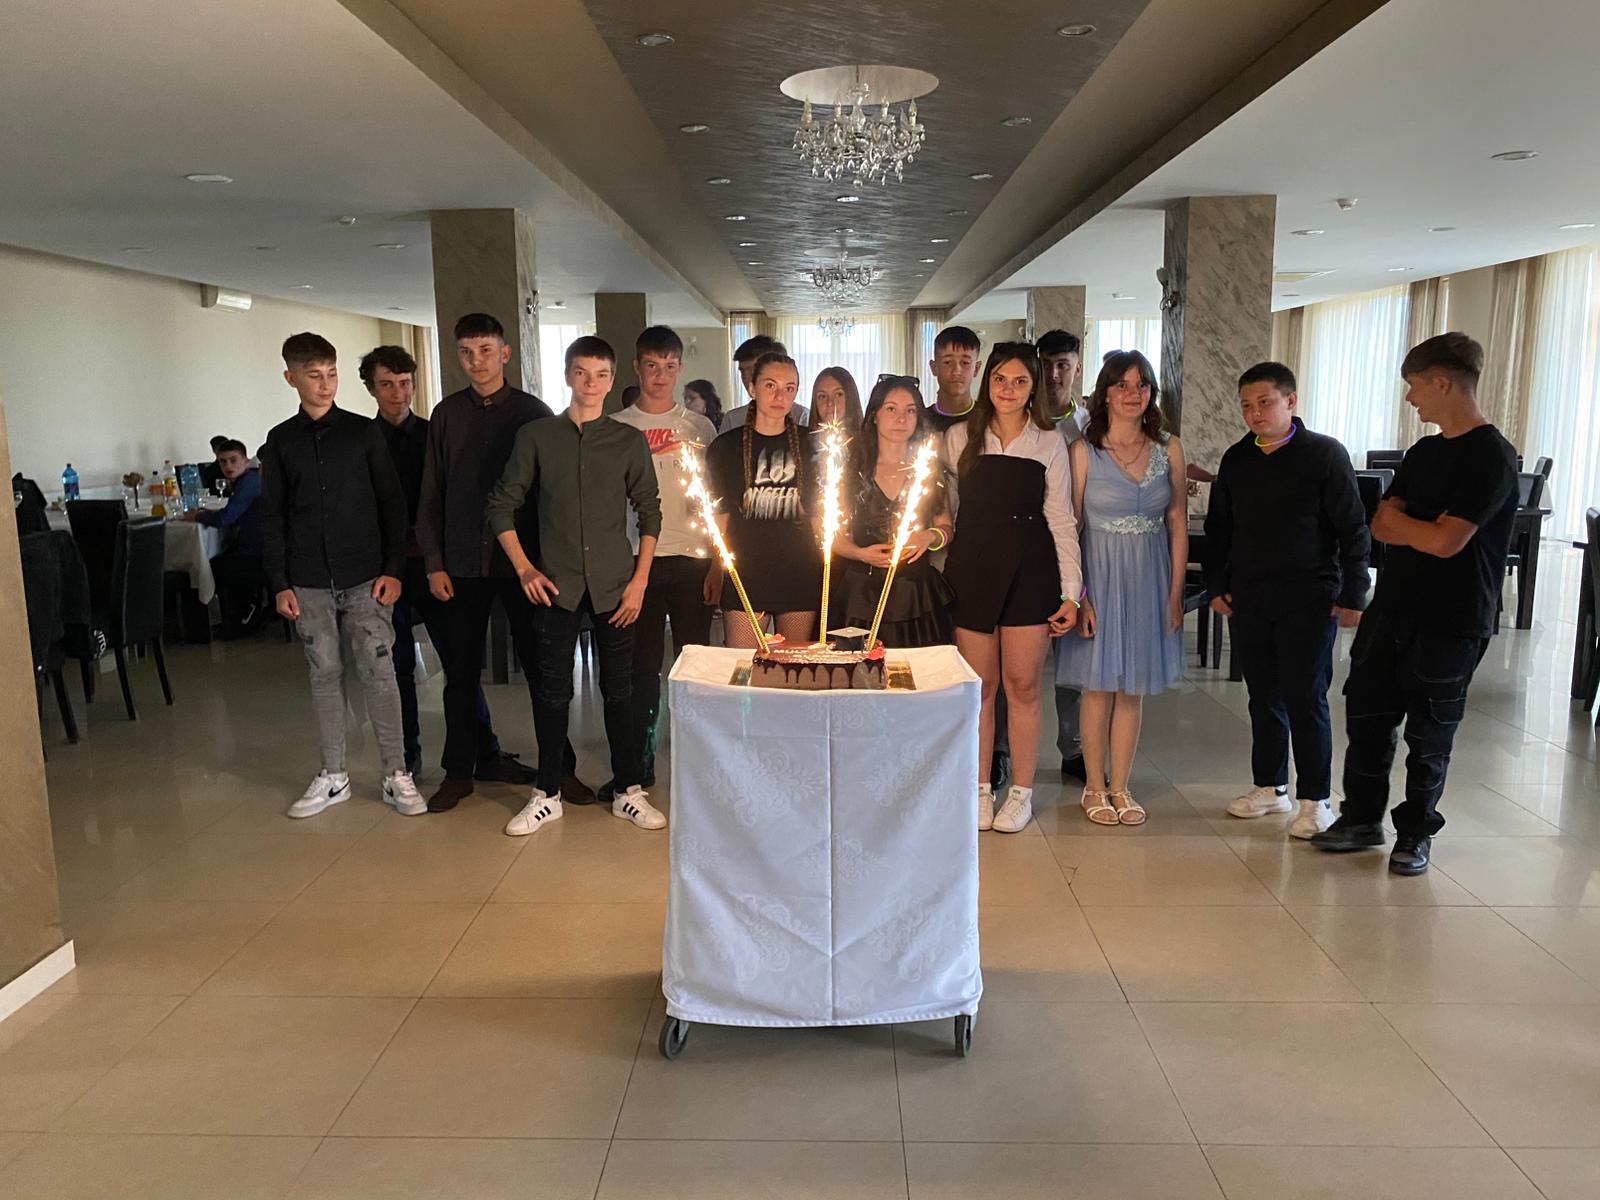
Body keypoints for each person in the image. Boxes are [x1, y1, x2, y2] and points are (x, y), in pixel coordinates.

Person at [1312, 333, 1518, 875]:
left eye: (1415, 386)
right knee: (1368, 717)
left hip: (1453, 617)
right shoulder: (1423, 453)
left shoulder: (1492, 457)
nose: (1410, 398)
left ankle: (1415, 834)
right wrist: (1418, 528)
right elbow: (1381, 524)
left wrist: (1414, 527)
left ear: (1442, 383)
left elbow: (1447, 542)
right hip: (1392, 608)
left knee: (1430, 734)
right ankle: (1361, 819)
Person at [486, 336, 664, 837]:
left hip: (616, 586)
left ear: (612, 380)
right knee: (552, 692)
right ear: (568, 376)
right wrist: (525, 568)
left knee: (620, 691)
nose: (591, 383)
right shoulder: (538, 436)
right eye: (582, 373)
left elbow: (650, 512)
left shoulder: (627, 441)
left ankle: (628, 790)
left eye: (601, 374)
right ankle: (547, 793)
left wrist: (639, 582)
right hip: (555, 585)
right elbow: (501, 505)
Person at [417, 312, 584, 813]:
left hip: (524, 564)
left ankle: (561, 769)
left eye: (486, 350)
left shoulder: (534, 412)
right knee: (460, 673)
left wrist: (549, 561)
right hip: (461, 563)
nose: (477, 361)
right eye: (467, 352)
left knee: (541, 670)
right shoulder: (446, 414)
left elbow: (552, 493)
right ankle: (459, 772)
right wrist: (434, 561)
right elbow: (431, 492)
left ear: (505, 353)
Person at [259, 332, 424, 819]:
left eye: (331, 374)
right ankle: (333, 774)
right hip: (307, 579)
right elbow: (272, 516)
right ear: (291, 378)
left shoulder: (362, 433)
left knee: (380, 672)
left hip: (366, 575)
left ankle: (396, 772)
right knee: (324, 673)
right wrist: (279, 582)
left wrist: (394, 569)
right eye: (314, 376)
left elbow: (392, 504)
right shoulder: (281, 441)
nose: (325, 384)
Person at [1207, 362, 1370, 839]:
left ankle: (1316, 799)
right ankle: (1270, 786)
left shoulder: (1324, 454)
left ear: (1290, 401)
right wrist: (1216, 584)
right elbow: (1220, 528)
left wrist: (1354, 593)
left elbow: (1352, 528)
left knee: (1305, 694)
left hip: (1311, 595)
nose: (1254, 413)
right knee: (1263, 695)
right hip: (1251, 595)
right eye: (1246, 405)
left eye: (1264, 402)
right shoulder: (1237, 458)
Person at [360, 344, 523, 782]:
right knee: (395, 667)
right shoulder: (362, 442)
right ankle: (406, 761)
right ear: (371, 388)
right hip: (385, 570)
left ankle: (483, 753)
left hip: (438, 565)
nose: (398, 393)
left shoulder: (436, 431)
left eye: (405, 383)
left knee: (460, 662)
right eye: (386, 385)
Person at [944, 343, 1081, 834]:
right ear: (988, 382)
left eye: (1020, 381)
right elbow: (949, 511)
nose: (1008, 389)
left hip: (1031, 570)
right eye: (1000, 379)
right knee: (979, 689)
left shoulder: (1049, 440)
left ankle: (1021, 792)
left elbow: (1061, 519)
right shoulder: (960, 435)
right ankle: (980, 788)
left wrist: (1072, 592)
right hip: (973, 569)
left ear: (1033, 388)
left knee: (1023, 687)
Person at [1057, 351, 1188, 827]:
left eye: (1142, 385)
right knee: (1097, 687)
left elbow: (1177, 522)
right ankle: (1093, 786)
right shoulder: (1082, 450)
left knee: (1132, 689)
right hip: (1099, 575)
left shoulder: (1169, 448)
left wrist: (1174, 594)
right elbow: (1070, 527)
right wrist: (1080, 596)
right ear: (1106, 393)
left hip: (1149, 576)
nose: (1133, 394)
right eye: (1123, 385)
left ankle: (1121, 786)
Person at [610, 325, 718, 792]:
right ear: (637, 367)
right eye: (652, 366)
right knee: (643, 666)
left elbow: (713, 498)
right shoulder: (616, 426)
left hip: (692, 556)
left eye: (669, 367)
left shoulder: (699, 428)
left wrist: (716, 561)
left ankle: (697, 754)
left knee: (695, 662)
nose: (660, 375)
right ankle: (642, 758)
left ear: (679, 368)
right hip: (638, 561)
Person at [706, 352, 822, 648]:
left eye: (789, 388)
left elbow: (818, 516)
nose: (780, 396)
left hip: (799, 572)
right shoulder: (725, 448)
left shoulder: (812, 445)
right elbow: (720, 518)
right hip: (745, 573)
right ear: (752, 387)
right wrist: (716, 568)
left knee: (793, 666)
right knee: (744, 665)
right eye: (770, 385)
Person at [835, 375, 953, 647]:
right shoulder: (852, 472)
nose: (901, 418)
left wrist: (928, 537)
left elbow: (946, 528)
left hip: (916, 593)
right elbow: (830, 535)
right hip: (861, 594)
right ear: (874, 415)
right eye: (891, 409)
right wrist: (860, 554)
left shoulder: (928, 470)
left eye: (910, 411)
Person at [1038, 329, 1088, 781]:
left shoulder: (1089, 427)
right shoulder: (1026, 419)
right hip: (1029, 553)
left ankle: (1073, 748)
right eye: (1047, 364)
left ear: (1076, 368)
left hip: (1077, 551)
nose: (1054, 374)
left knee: (1073, 663)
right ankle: (1001, 750)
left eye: (1063, 365)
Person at [186, 438, 264, 638]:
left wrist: (197, 516)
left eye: (233, 460)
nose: (228, 466)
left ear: (246, 461)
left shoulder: (249, 483)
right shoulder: (249, 480)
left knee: (214, 565)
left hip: (259, 554)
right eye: (223, 461)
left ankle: (240, 618)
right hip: (261, 548)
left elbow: (223, 519)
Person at [719, 336, 808, 432]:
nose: (747, 378)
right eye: (742, 372)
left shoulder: (802, 417)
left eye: (753, 370)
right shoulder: (733, 419)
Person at [924, 325, 981, 434]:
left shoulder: (989, 420)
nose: (956, 371)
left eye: (965, 363)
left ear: (976, 368)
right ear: (934, 367)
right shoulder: (919, 422)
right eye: (947, 362)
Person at [1037, 329, 1086, 432]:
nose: (1053, 374)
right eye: (1045, 365)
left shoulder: (1087, 425)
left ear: (1077, 370)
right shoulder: (1022, 421)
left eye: (1062, 365)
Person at [806, 366, 864, 438]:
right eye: (822, 396)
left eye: (838, 394)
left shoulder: (869, 442)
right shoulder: (802, 442)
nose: (830, 403)